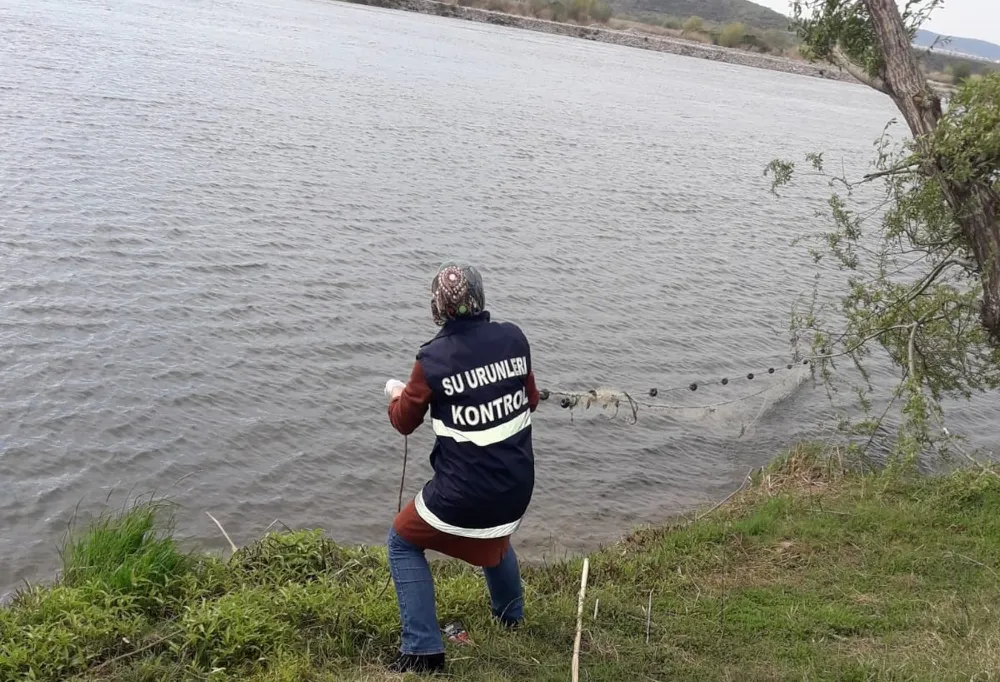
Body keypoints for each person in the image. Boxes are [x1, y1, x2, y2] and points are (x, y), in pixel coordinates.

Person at [382, 262, 539, 674]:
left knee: (401, 540)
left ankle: (422, 650)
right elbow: (532, 400)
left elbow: (403, 421)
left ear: (438, 307)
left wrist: (397, 394)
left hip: (464, 494)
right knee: (495, 532)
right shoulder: (513, 338)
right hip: (517, 486)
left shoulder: (431, 360)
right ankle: (510, 619)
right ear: (480, 297)